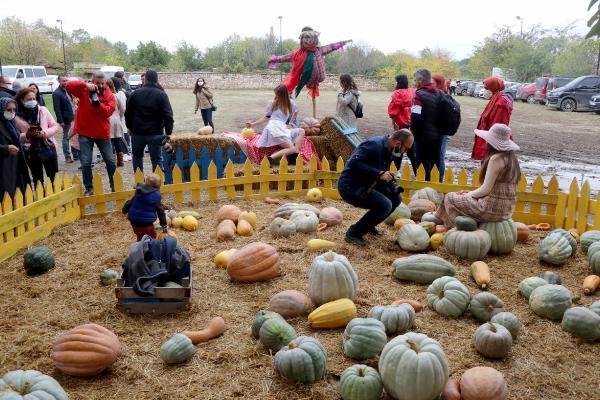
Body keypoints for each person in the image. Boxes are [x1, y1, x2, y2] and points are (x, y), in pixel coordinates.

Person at [338, 129, 414, 246]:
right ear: (398, 143)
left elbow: (376, 170)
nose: (405, 153)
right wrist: (378, 173)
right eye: (406, 149)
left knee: (396, 198)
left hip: (367, 183)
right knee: (385, 205)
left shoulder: (389, 149)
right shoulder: (374, 145)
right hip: (351, 186)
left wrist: (386, 175)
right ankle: (353, 233)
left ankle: (369, 226)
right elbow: (353, 163)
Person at [436, 124, 521, 226]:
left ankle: (455, 229)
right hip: (506, 211)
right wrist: (471, 194)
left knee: (449, 197)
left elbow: (486, 189)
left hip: (489, 209)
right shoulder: (512, 160)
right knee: (462, 196)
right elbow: (495, 190)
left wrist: (468, 195)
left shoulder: (496, 159)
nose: (486, 142)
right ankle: (445, 221)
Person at [66, 71, 116, 196]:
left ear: (105, 82)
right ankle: (89, 187)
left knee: (110, 160)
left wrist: (98, 105)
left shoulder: (110, 95)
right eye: (97, 83)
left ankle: (114, 184)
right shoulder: (84, 91)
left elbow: (108, 112)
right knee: (86, 162)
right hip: (85, 132)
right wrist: (84, 85)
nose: (99, 85)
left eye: (102, 83)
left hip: (102, 133)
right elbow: (69, 85)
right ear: (92, 81)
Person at [125, 70, 174, 173]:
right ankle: (157, 182)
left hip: (137, 132)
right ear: (157, 80)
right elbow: (168, 115)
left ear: (145, 80)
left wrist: (129, 127)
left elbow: (128, 113)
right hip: (155, 132)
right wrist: (168, 132)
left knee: (137, 157)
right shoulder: (161, 95)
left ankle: (139, 182)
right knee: (156, 159)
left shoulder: (135, 94)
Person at [245, 84, 305, 161]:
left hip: (282, 128)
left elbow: (296, 111)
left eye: (277, 94)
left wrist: (291, 121)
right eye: (276, 94)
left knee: (301, 131)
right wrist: (253, 124)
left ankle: (295, 156)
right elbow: (266, 117)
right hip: (273, 128)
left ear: (283, 95)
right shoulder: (273, 103)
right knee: (291, 149)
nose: (276, 96)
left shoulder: (291, 103)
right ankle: (270, 159)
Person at [14, 87, 59, 187]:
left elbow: (55, 126)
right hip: (30, 151)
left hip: (48, 147)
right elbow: (16, 136)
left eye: (34, 99)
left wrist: (44, 133)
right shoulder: (16, 117)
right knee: (37, 179)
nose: (32, 101)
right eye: (29, 99)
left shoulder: (43, 110)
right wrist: (26, 135)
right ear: (22, 100)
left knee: (53, 176)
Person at [411, 68, 442, 182]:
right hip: (438, 136)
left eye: (415, 80)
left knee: (422, 165)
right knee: (435, 164)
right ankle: (435, 188)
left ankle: (424, 190)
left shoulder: (419, 95)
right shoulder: (440, 93)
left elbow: (415, 116)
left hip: (423, 136)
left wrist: (413, 132)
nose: (414, 83)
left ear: (420, 80)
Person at [471, 76, 513, 161]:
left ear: (494, 87)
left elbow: (498, 126)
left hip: (493, 145)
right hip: (489, 140)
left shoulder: (501, 104)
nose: (485, 90)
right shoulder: (495, 99)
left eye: (487, 88)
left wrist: (491, 146)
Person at [122, 173, 167, 241]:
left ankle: (139, 242)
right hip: (146, 224)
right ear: (158, 187)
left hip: (134, 222)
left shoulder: (139, 192)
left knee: (139, 234)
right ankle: (150, 247)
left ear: (145, 183)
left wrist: (124, 210)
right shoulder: (156, 196)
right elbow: (160, 212)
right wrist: (164, 225)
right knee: (152, 237)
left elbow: (130, 202)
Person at [0, 97, 31, 199]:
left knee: (19, 193)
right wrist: (5, 148)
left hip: (17, 163)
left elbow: (16, 140)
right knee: (7, 195)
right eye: (9, 110)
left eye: (14, 110)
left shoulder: (11, 122)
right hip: (4, 165)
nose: (12, 112)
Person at [387, 74, 417, 170]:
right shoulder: (412, 92)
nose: (394, 83)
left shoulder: (397, 94)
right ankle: (418, 171)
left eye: (395, 81)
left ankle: (395, 171)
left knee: (397, 149)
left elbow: (392, 111)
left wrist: (394, 122)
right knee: (412, 149)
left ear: (399, 82)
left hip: (401, 125)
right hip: (412, 125)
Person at [52, 74, 77, 163]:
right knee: (66, 137)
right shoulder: (56, 93)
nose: (65, 82)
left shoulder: (69, 90)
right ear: (59, 81)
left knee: (75, 136)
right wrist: (60, 120)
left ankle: (76, 154)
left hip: (74, 116)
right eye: (63, 81)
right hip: (66, 119)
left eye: (66, 80)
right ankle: (67, 156)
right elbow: (57, 108)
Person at [432, 73, 450, 182]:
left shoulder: (441, 97)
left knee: (439, 157)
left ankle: (439, 180)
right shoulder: (439, 94)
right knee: (437, 156)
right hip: (438, 132)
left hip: (441, 133)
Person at [106, 78, 127, 167]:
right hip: (117, 120)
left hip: (108, 120)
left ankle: (111, 162)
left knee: (109, 142)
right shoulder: (116, 95)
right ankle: (120, 161)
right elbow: (122, 109)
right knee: (117, 141)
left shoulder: (106, 96)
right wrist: (119, 117)